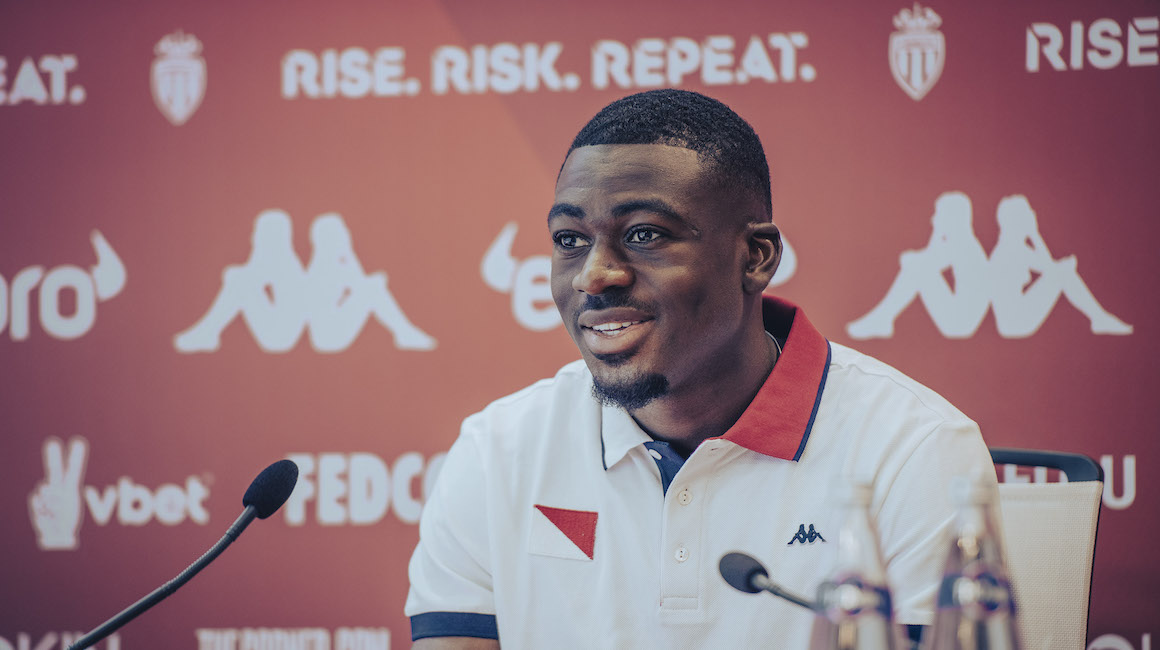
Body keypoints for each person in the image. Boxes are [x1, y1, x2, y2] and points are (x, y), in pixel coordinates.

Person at [405, 89, 995, 648]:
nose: (594, 275)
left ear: (756, 257)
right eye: (570, 240)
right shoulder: (497, 450)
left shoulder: (915, 449)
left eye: (644, 234)